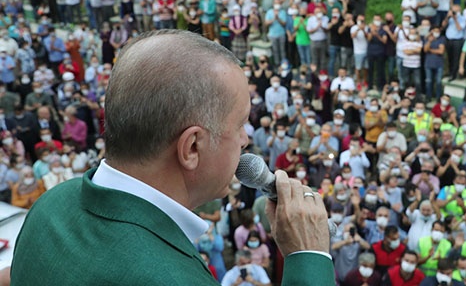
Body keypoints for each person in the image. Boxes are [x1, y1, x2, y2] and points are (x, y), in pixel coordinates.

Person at [11, 30, 335, 284]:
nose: (245, 139)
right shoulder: (172, 278)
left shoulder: (50, 205)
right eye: (239, 124)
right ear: (192, 147)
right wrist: (309, 257)